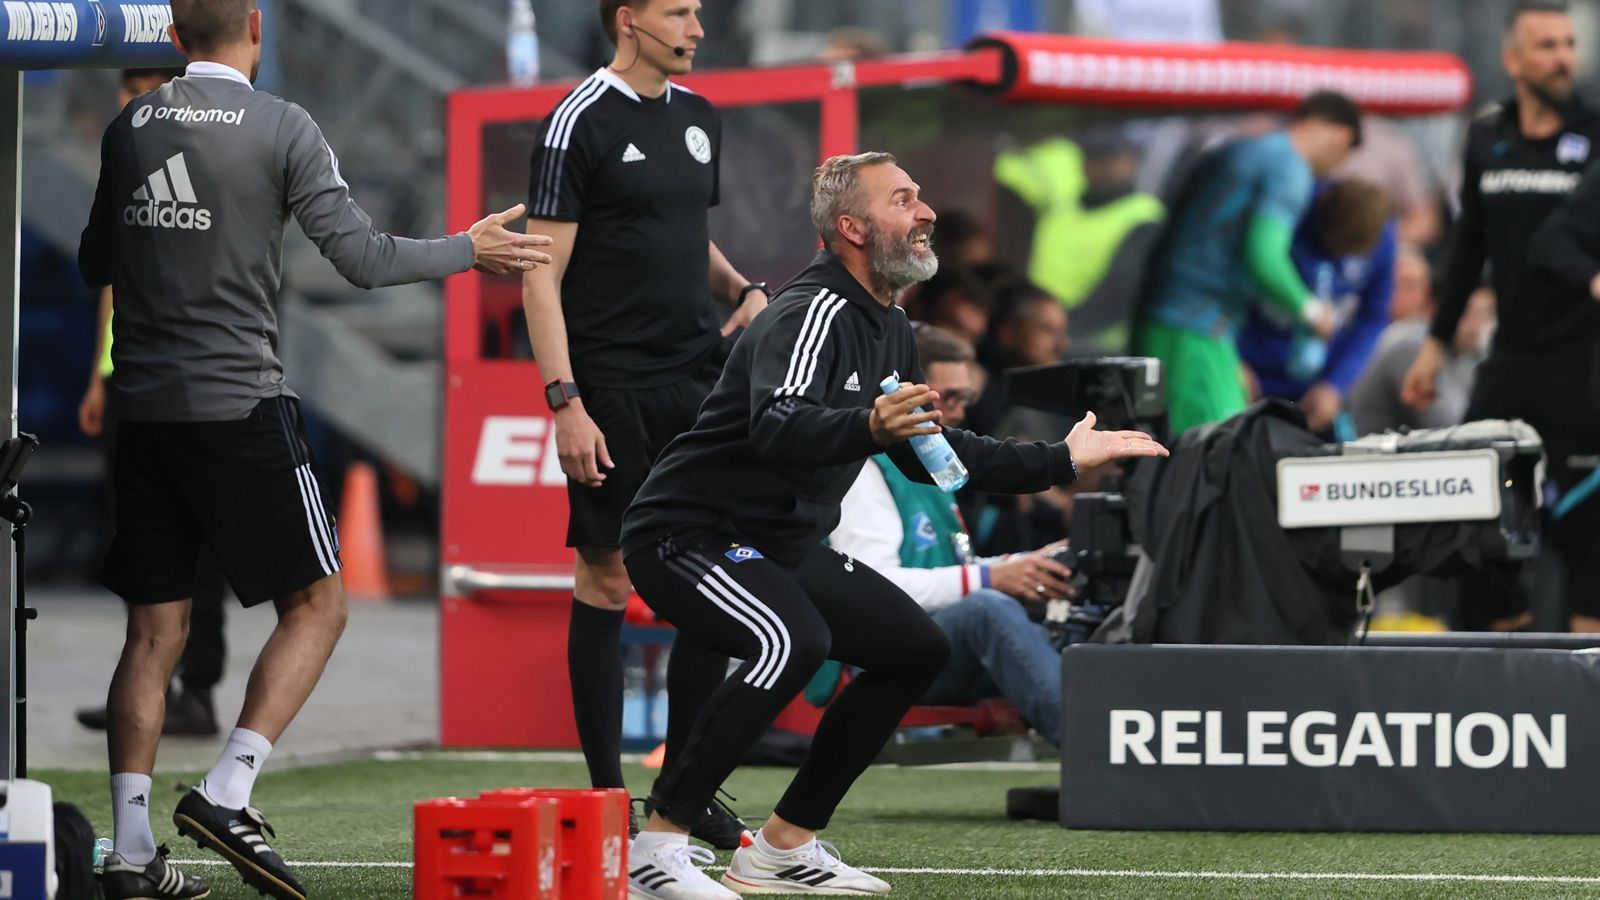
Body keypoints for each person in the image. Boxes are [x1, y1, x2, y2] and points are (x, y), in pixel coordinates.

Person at [77, 1, 550, 897]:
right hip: (238, 403)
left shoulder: (130, 124)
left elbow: (94, 260)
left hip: (144, 412)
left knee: (152, 634)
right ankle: (227, 789)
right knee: (320, 606)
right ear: (256, 26)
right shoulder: (283, 124)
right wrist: (468, 248)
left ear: (174, 37)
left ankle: (131, 855)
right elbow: (364, 260)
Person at [619, 151, 1167, 899]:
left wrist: (1062, 459)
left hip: (776, 545)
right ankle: (658, 848)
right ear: (852, 227)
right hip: (688, 533)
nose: (927, 212)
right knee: (793, 639)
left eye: (921, 196)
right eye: (903, 199)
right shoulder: (813, 308)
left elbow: (933, 459)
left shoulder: (892, 326)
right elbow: (778, 424)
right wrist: (867, 425)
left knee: (913, 648)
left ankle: (781, 848)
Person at [520, 0, 767, 848]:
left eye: (699, 12)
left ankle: (682, 793)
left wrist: (739, 288)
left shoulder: (699, 118)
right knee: (609, 578)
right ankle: (602, 798)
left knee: (708, 580)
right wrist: (566, 401)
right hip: (610, 387)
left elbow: (679, 234)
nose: (697, 27)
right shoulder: (575, 121)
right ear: (629, 19)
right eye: (679, 11)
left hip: (694, 381)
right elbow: (540, 275)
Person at [1402, 0, 1600, 633]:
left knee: (1587, 528)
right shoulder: (1486, 138)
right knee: (1476, 505)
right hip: (1510, 356)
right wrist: (1435, 346)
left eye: (1569, 43)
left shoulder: (1596, 135)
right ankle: (1496, 660)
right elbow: (1468, 250)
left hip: (1583, 363)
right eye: (1546, 45)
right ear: (1512, 60)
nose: (1563, 57)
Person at [74, 66, 227, 740]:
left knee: (199, 539)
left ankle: (196, 685)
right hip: (129, 377)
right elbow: (107, 277)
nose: (125, 104)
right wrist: (96, 376)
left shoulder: (208, 160)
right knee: (142, 542)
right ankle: (149, 683)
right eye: (124, 91)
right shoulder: (131, 160)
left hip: (192, 381)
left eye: (137, 91)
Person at [829, 323, 1073, 745]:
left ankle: (1128, 730)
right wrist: (988, 578)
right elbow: (870, 585)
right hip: (887, 658)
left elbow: (955, 572)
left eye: (967, 397)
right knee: (986, 609)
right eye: (949, 398)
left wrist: (1023, 566)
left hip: (943, 643)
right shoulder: (865, 469)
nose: (960, 411)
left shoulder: (930, 464)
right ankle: (1094, 749)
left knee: (1073, 598)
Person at [1134, 91, 1363, 434]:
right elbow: (1264, 255)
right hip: (1197, 327)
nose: (1335, 168)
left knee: (1161, 447)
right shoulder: (1290, 169)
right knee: (1212, 455)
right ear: (1341, 137)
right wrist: (1313, 311)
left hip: (1162, 315)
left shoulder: (1243, 149)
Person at [1237, 178, 1397, 436]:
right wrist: (1232, 359)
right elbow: (1232, 284)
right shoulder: (1290, 209)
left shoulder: (1382, 233)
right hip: (1249, 375)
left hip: (1315, 389)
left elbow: (1374, 317)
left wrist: (1336, 384)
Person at [1346, 255, 1492, 435]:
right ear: (1440, 309)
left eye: (1485, 314)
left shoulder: (1464, 354)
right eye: (1468, 314)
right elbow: (1452, 424)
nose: (1476, 328)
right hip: (1374, 456)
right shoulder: (1411, 344)